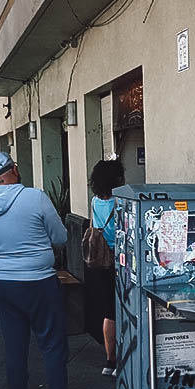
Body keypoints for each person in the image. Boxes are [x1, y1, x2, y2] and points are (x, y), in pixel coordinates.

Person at [0, 152, 90, 389]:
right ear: (14, 169)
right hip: (38, 281)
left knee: (14, 347)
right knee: (52, 345)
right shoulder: (35, 197)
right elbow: (60, 237)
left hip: (1, 282)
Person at [87, 159, 125, 375]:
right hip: (118, 259)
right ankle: (117, 359)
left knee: (108, 310)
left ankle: (110, 360)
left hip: (100, 259)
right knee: (119, 308)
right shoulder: (119, 202)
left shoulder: (94, 202)